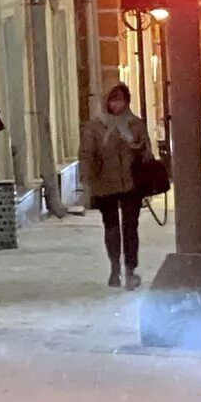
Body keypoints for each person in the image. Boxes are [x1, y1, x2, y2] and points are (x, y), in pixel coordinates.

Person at [79, 83, 152, 290]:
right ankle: (114, 267)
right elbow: (86, 154)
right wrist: (87, 178)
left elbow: (147, 154)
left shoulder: (136, 124)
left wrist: (137, 149)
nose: (116, 104)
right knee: (111, 227)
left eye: (120, 99)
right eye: (113, 99)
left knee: (130, 227)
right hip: (104, 183)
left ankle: (130, 269)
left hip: (131, 184)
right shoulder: (95, 126)